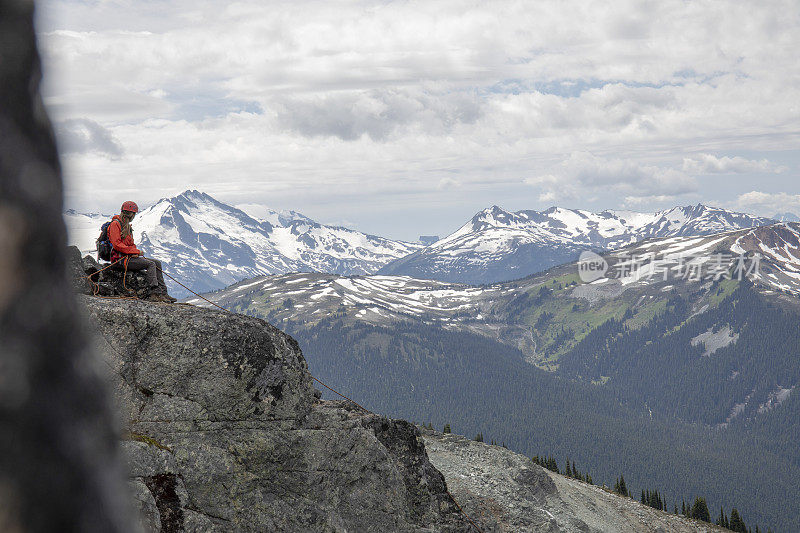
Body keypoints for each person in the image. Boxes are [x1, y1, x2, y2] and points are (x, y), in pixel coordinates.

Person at [108, 201, 177, 303]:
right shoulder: (115, 225)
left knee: (157, 263)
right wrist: (134, 251)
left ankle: (164, 293)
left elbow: (129, 244)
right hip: (119, 260)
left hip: (127, 257)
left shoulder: (126, 226)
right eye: (134, 214)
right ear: (131, 214)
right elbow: (117, 245)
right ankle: (154, 293)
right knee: (151, 264)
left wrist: (134, 252)